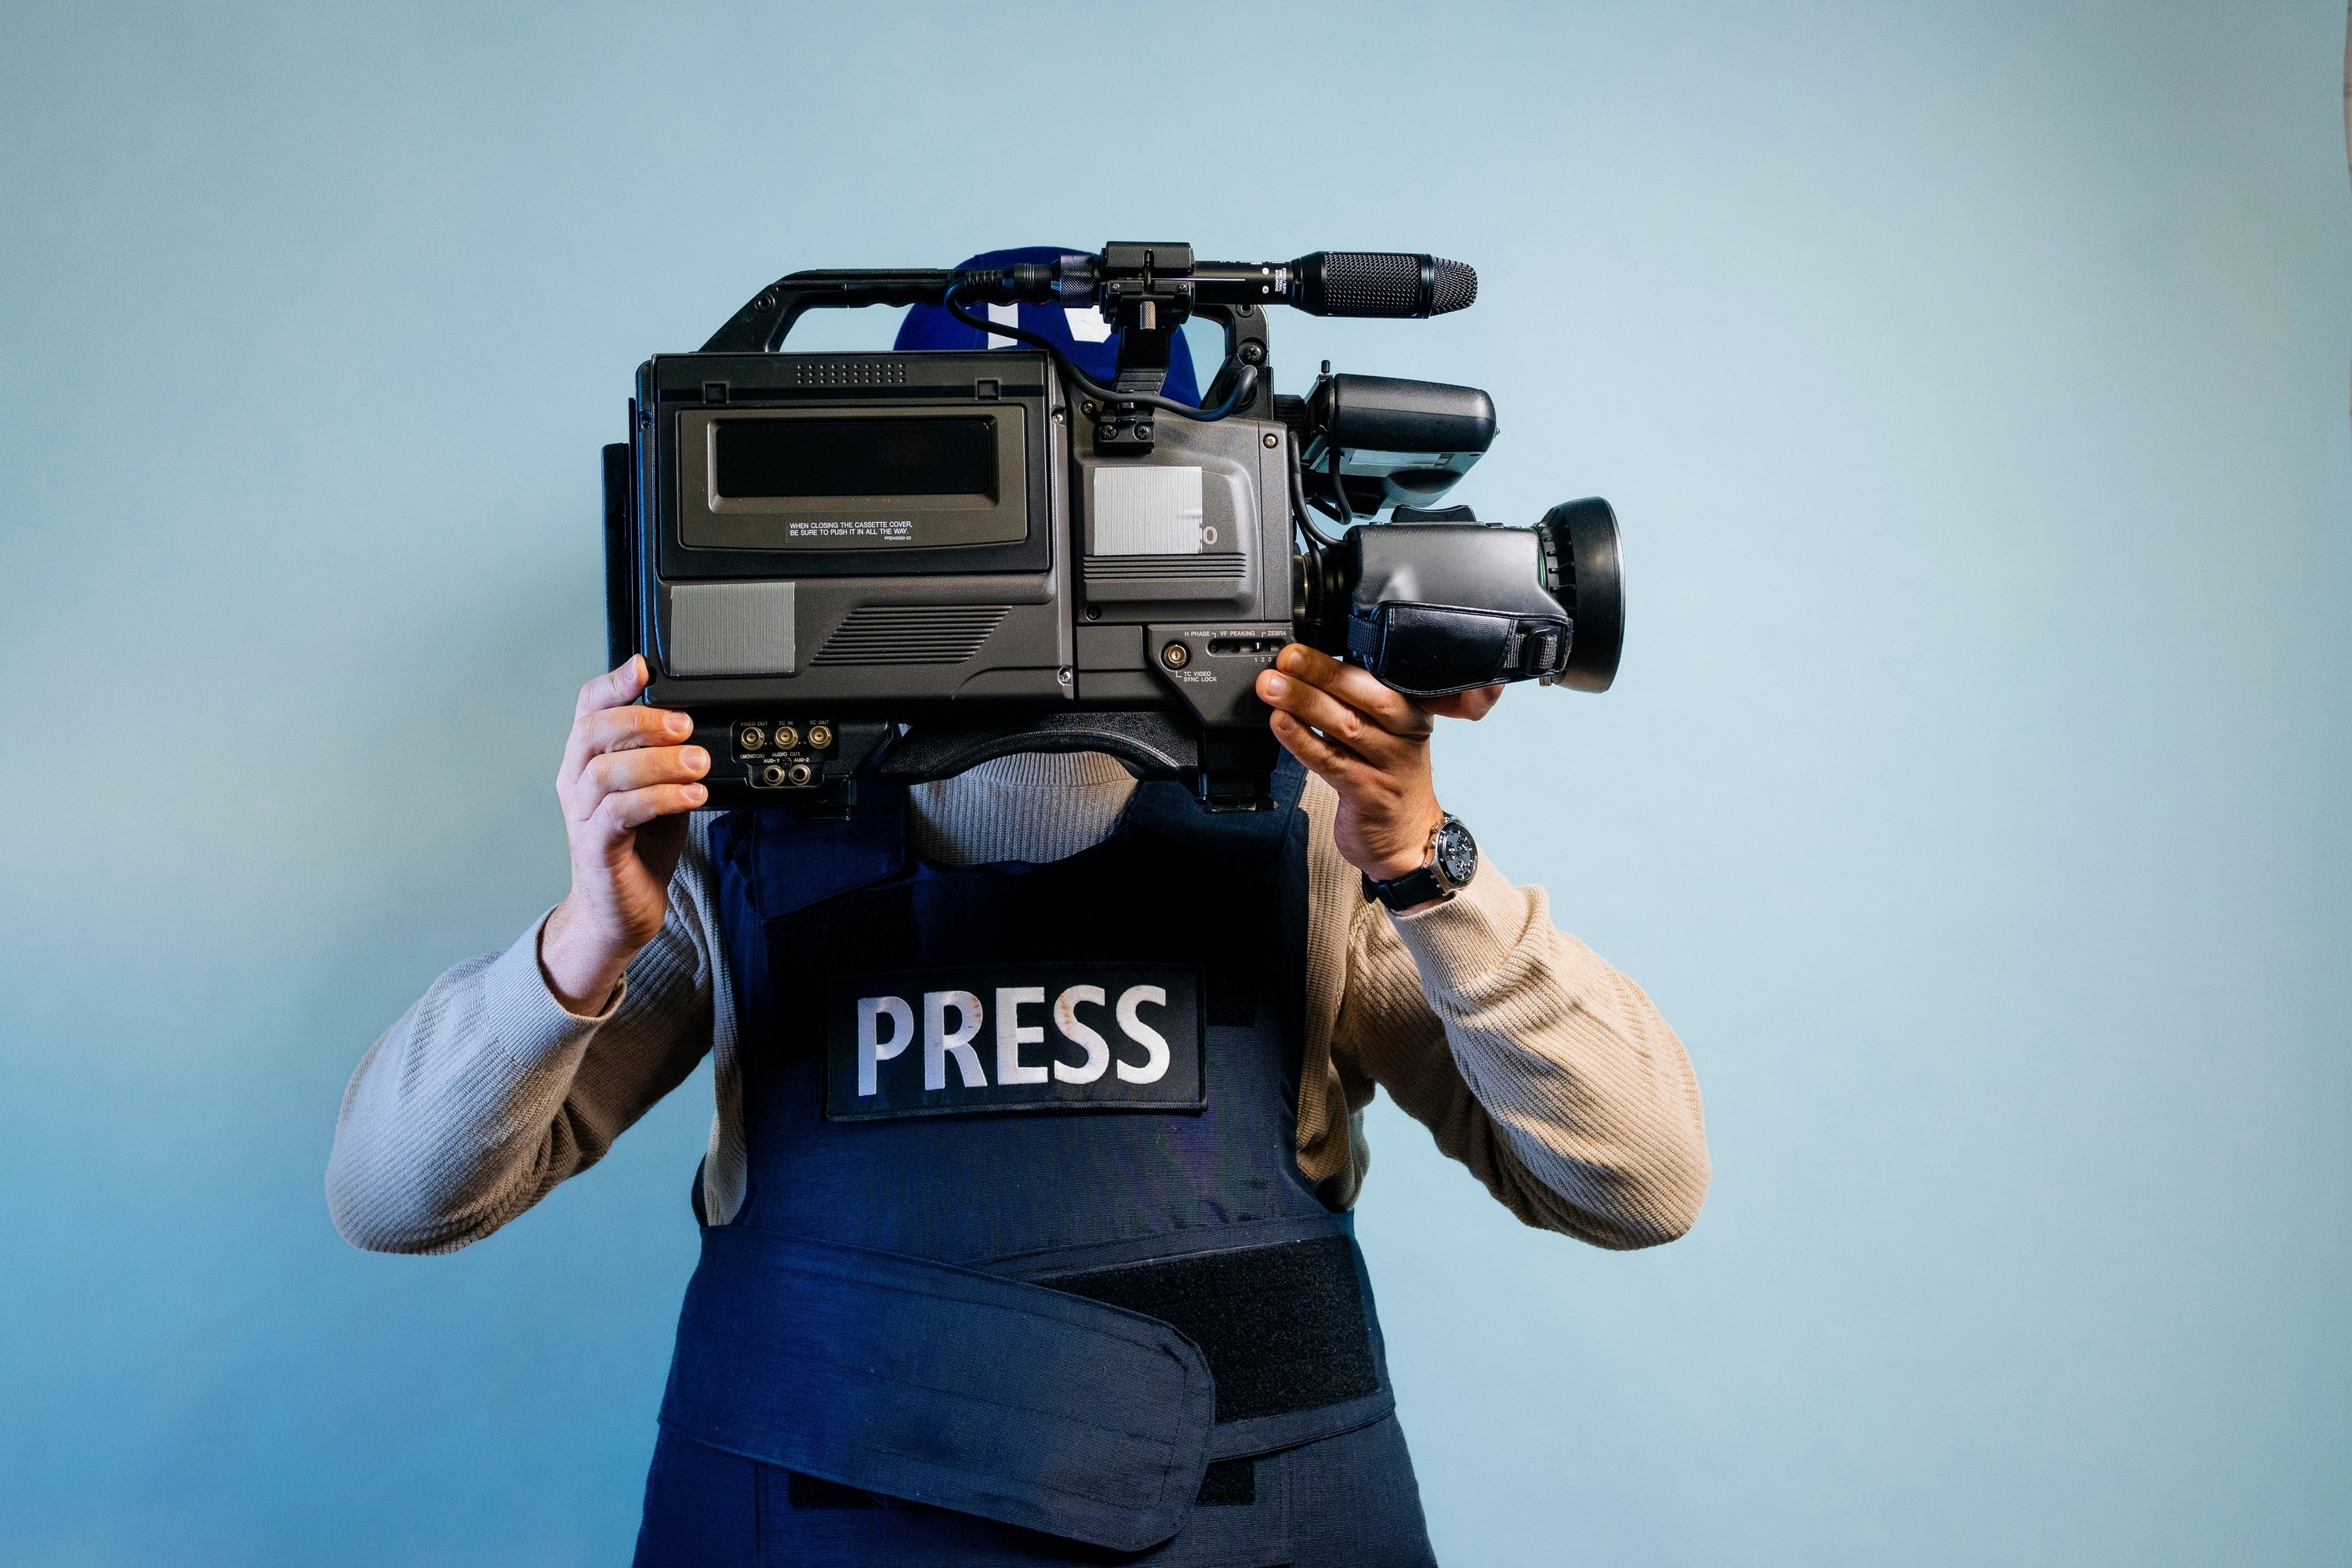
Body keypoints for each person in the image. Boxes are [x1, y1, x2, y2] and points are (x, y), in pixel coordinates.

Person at [327, 249, 1711, 1566]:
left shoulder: (1317, 829)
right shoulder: (738, 841)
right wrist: (584, 940)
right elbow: (395, 1198)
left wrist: (1424, 861)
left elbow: (1641, 1183)